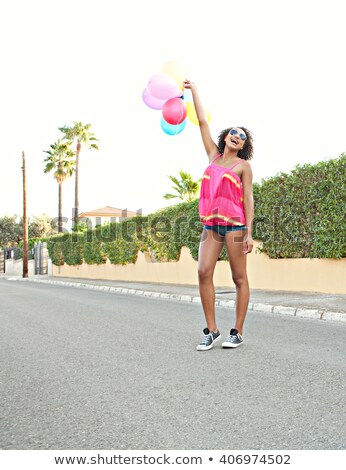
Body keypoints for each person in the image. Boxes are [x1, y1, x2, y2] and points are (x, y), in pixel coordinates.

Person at [184, 80, 254, 351]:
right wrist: (194, 91)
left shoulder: (243, 166)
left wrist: (249, 232)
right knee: (203, 272)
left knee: (239, 278)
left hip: (235, 227)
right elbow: (202, 122)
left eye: (243, 136)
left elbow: (248, 199)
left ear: (243, 145)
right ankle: (212, 330)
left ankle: (237, 331)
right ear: (225, 137)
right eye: (234, 132)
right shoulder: (213, 157)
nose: (237, 136)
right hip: (211, 226)